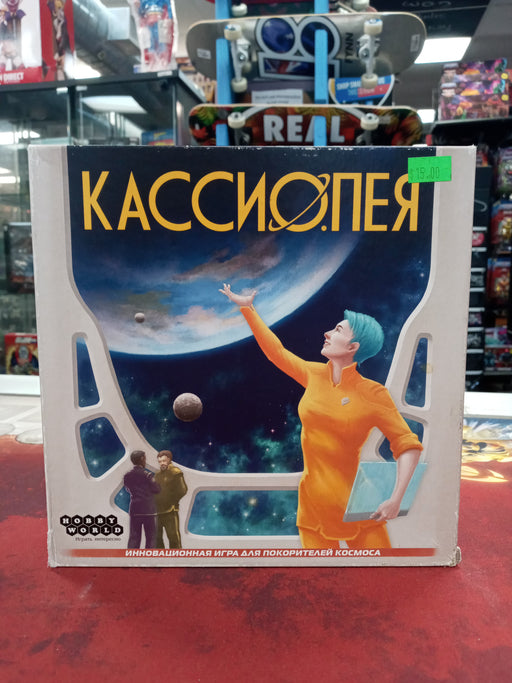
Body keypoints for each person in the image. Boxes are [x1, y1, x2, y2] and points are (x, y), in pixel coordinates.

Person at [220, 284, 422, 550]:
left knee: (382, 572)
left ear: (353, 347)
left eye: (337, 330)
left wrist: (396, 499)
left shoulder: (373, 393)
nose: (327, 333)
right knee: (317, 574)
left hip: (361, 507)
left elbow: (407, 445)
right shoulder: (313, 374)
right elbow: (276, 352)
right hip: (313, 509)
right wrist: (248, 309)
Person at [123, 450, 160, 549]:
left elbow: (128, 489)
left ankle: (131, 557)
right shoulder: (147, 475)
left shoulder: (127, 475)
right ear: (142, 459)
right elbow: (157, 489)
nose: (145, 461)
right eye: (145, 458)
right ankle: (149, 557)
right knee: (151, 537)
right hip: (148, 510)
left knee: (134, 537)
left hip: (135, 509)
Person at [154, 450, 188, 549]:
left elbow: (182, 490)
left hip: (170, 511)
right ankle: (160, 558)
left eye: (164, 461)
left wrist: (171, 501)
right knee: (157, 538)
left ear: (169, 459)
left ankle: (176, 557)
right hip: (157, 511)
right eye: (160, 461)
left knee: (173, 538)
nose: (162, 463)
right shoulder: (157, 475)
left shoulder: (176, 472)